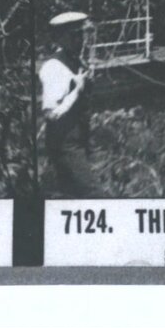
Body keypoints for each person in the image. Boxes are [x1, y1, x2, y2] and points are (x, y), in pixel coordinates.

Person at [38, 10, 102, 196]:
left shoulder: (75, 61)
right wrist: (77, 91)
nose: (80, 39)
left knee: (72, 194)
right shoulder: (54, 68)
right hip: (65, 142)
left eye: (82, 34)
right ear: (60, 38)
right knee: (95, 195)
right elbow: (50, 113)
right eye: (74, 35)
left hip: (79, 137)